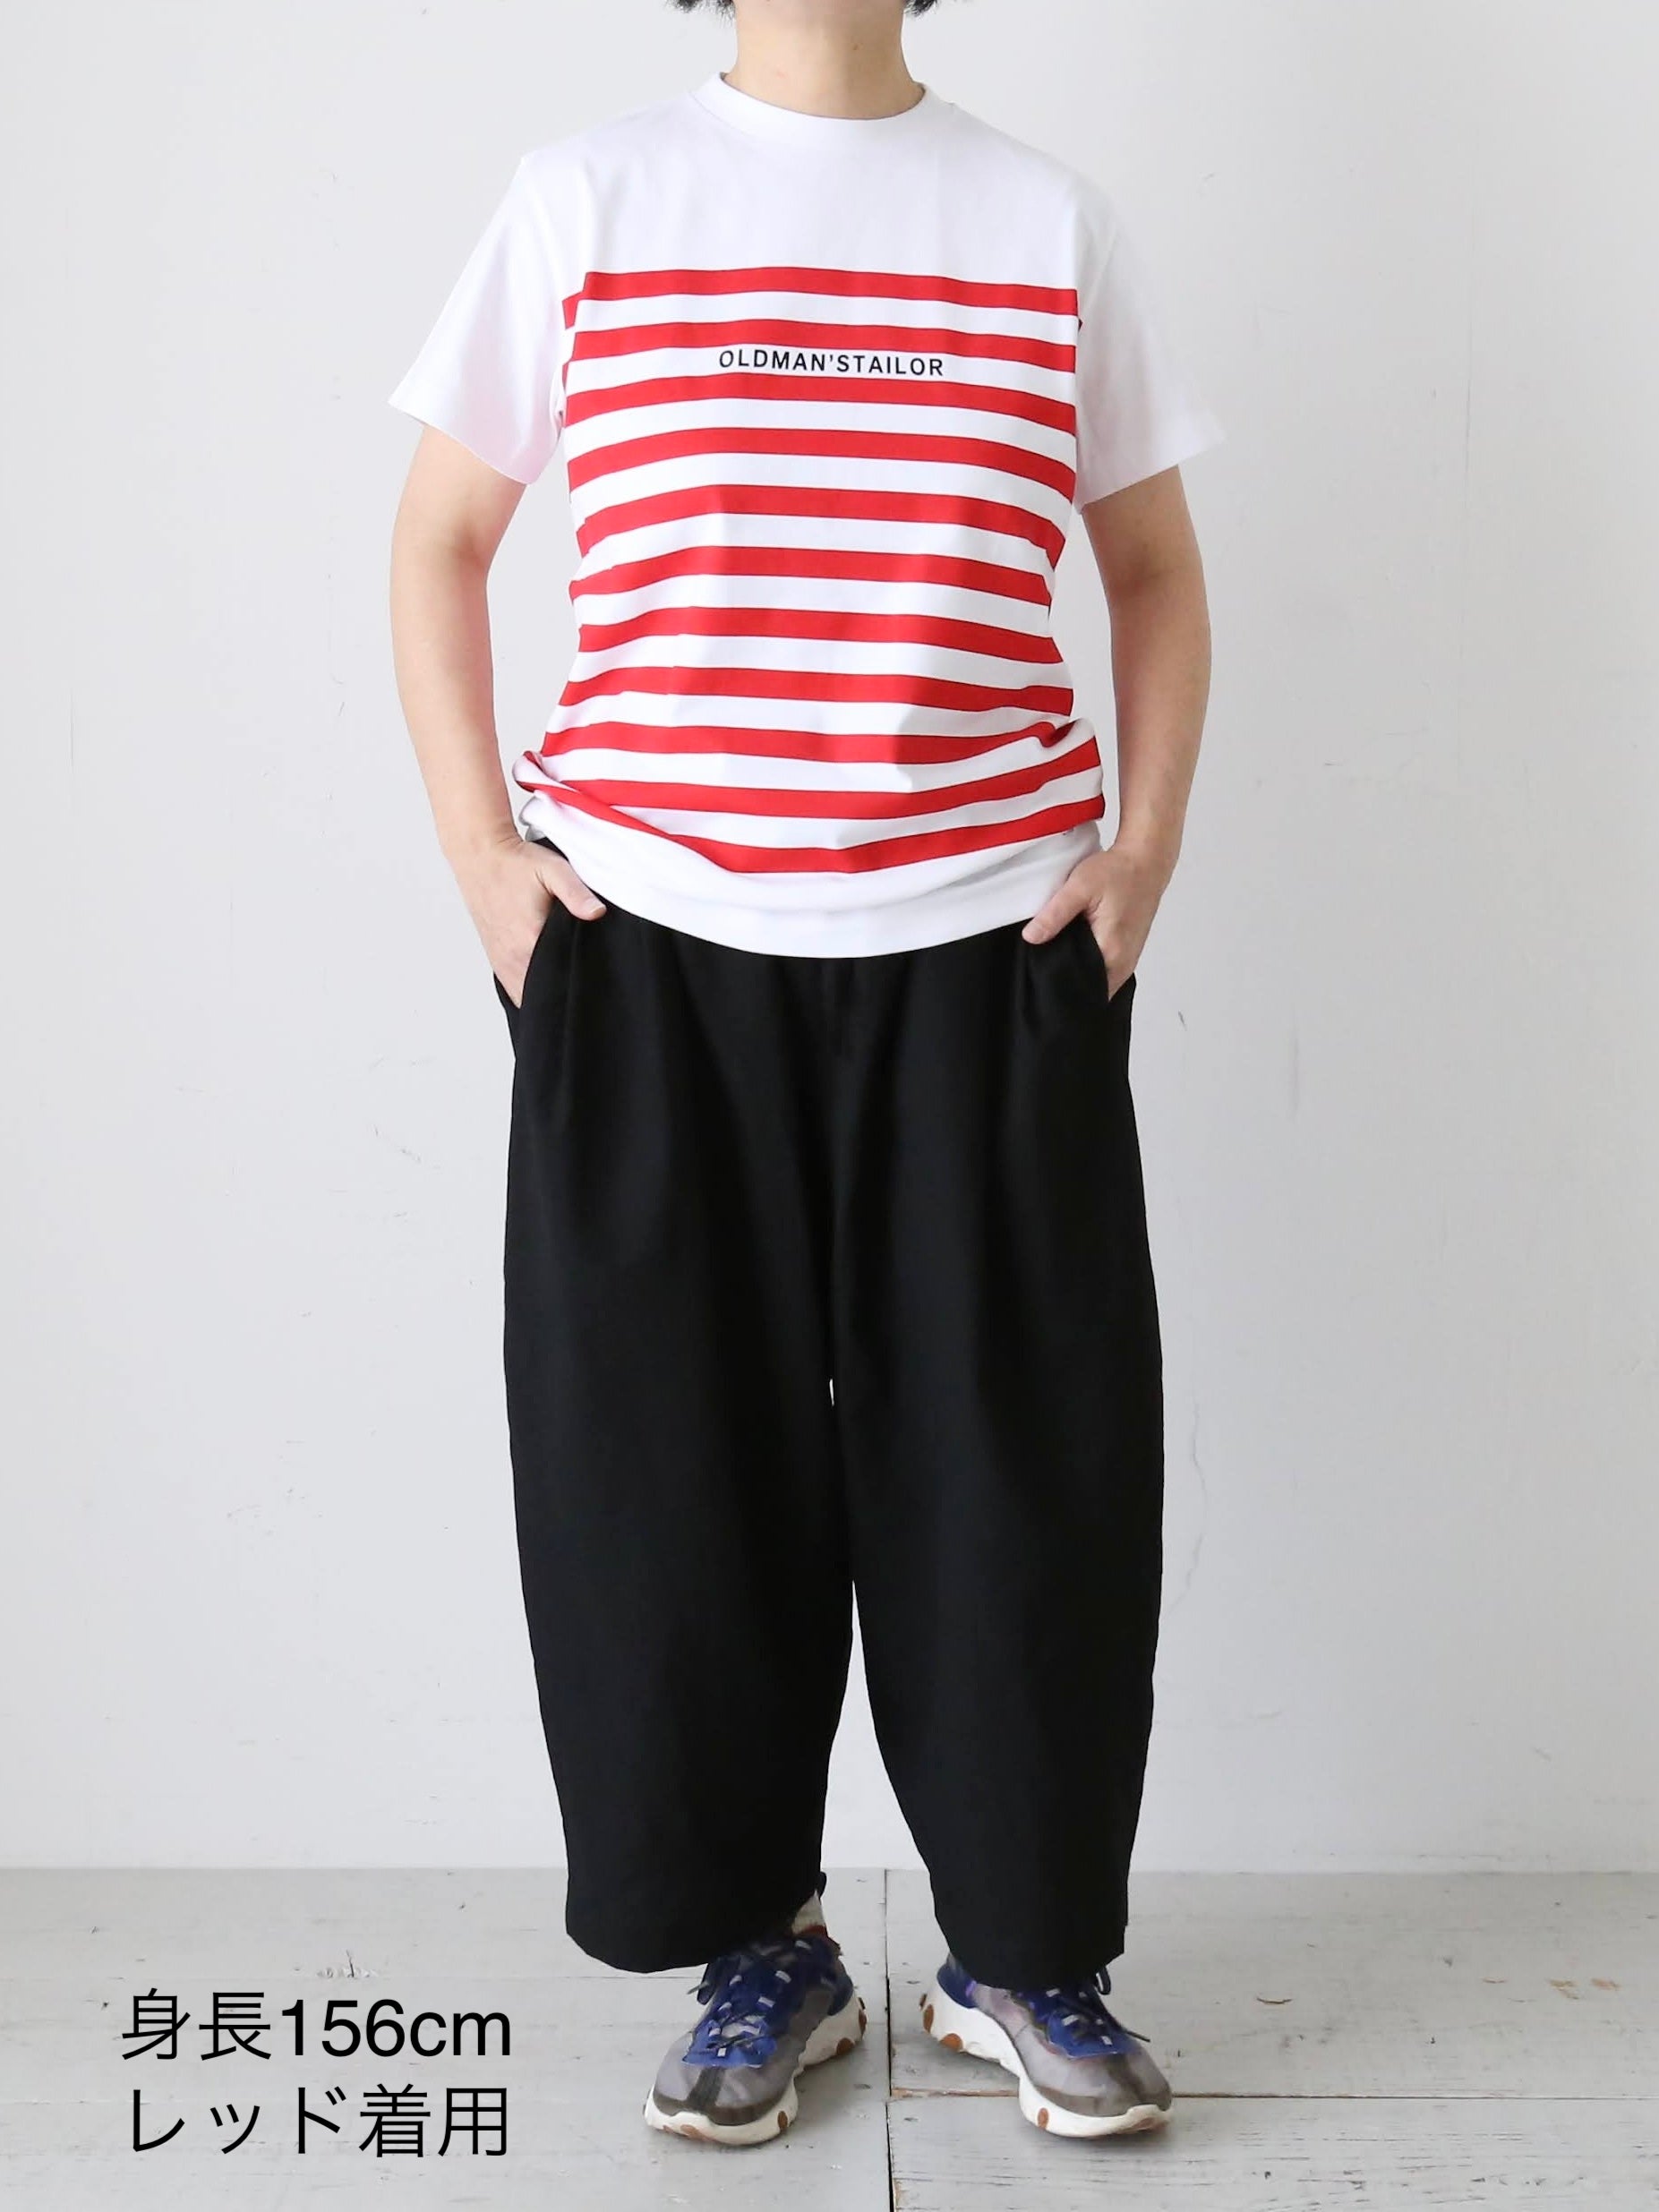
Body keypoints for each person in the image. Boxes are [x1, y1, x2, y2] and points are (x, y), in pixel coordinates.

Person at [387, 0, 1221, 2151]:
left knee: (1022, 1478)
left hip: (990, 947)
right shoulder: (589, 199)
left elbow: (1150, 569)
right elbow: (440, 536)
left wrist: (1138, 855)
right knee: (662, 1481)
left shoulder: (1041, 221)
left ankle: (1026, 1955)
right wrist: (486, 861)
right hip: (650, 948)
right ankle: (756, 1945)